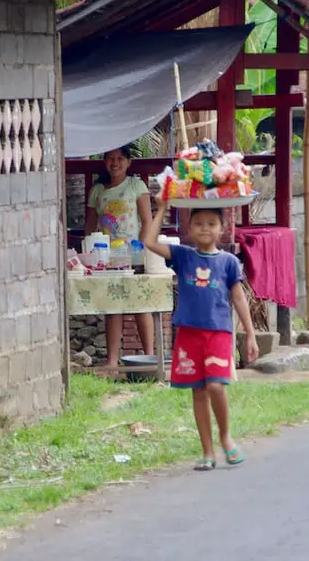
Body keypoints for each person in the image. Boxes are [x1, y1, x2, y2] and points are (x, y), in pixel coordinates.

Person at [144, 199, 259, 471]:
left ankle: (225, 435)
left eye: (211, 224)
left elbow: (240, 299)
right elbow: (149, 242)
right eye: (198, 223)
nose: (204, 229)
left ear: (223, 228)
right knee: (198, 393)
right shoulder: (183, 256)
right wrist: (161, 208)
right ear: (188, 227)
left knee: (216, 386)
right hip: (188, 334)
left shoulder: (229, 262)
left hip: (218, 333)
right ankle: (207, 451)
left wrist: (250, 334)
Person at [84, 146, 155, 368]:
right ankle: (112, 361)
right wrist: (88, 252)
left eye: (120, 158)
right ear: (104, 162)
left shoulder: (136, 185)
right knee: (112, 306)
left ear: (129, 162)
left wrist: (140, 249)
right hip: (106, 257)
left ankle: (149, 358)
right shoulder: (97, 190)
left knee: (139, 304)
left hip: (133, 255)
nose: (115, 163)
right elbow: (90, 225)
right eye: (110, 158)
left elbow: (147, 221)